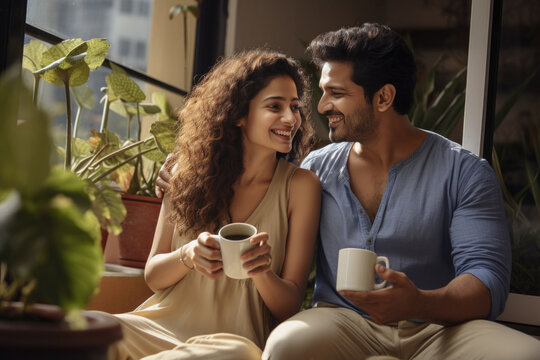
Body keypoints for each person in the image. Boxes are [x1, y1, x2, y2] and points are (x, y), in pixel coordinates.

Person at [260, 23, 540, 359]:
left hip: (440, 328)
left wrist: (420, 301)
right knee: (286, 345)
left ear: (383, 97)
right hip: (342, 322)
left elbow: (486, 279)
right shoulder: (314, 170)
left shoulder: (464, 172)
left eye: (336, 93)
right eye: (323, 92)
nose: (321, 107)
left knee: (525, 354)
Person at [109, 49, 321, 360]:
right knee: (103, 329)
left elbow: (288, 304)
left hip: (233, 344)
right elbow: (153, 277)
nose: (291, 118)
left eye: (294, 107)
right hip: (157, 329)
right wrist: (188, 254)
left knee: (233, 353)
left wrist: (260, 270)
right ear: (238, 114)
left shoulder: (301, 187)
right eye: (275, 106)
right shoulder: (184, 175)